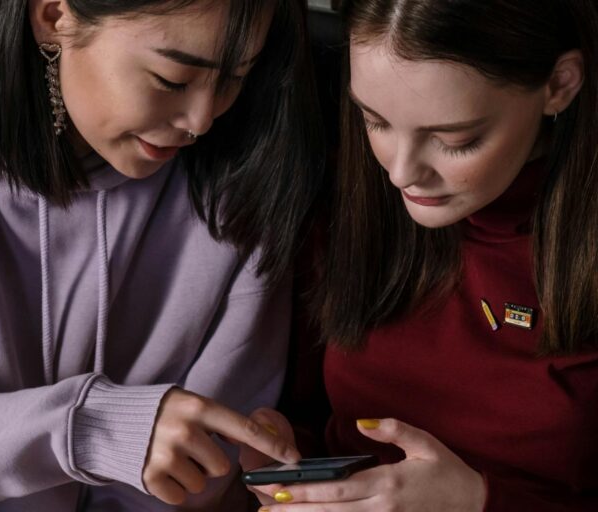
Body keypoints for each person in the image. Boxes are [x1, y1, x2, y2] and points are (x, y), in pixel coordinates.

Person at [0, 0, 322, 510]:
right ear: (53, 16)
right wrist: (86, 429)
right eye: (172, 79)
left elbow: (207, 481)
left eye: (232, 79)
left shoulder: (238, 184)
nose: (201, 120)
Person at [240, 0, 598, 510]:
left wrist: (479, 502)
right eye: (375, 121)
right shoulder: (348, 203)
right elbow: (316, 421)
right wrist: (287, 456)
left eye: (455, 140)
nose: (401, 173)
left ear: (559, 84)